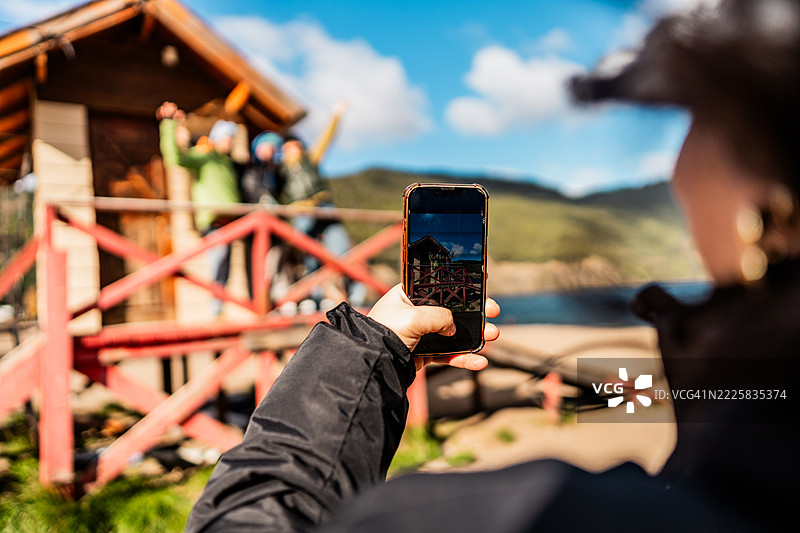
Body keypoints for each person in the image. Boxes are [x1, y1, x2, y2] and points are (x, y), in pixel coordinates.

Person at [186, 1, 797, 531]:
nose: (676, 166)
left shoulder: (538, 514)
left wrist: (366, 346)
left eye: (697, 120)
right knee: (602, 384)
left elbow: (248, 519)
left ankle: (561, 391)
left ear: (769, 199)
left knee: (588, 384)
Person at [278, 105, 367, 309]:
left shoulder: (311, 159)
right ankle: (312, 296)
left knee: (341, 250)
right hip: (300, 212)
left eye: (295, 146)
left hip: (323, 205)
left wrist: (336, 115)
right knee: (307, 255)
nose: (292, 150)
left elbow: (326, 138)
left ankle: (354, 293)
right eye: (288, 147)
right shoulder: (280, 170)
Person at [157, 102, 242, 317]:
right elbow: (175, 157)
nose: (229, 142)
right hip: (213, 220)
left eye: (232, 138)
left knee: (225, 267)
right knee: (218, 261)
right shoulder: (205, 156)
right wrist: (169, 125)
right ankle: (215, 310)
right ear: (217, 137)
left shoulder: (227, 162)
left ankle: (220, 308)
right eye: (226, 137)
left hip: (230, 221)